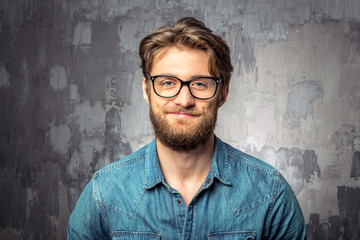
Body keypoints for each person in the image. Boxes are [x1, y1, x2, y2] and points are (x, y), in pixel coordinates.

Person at [67, 17, 306, 239]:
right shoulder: (104, 194)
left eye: (200, 83)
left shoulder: (270, 194)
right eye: (168, 82)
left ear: (223, 93)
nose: (184, 100)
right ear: (146, 89)